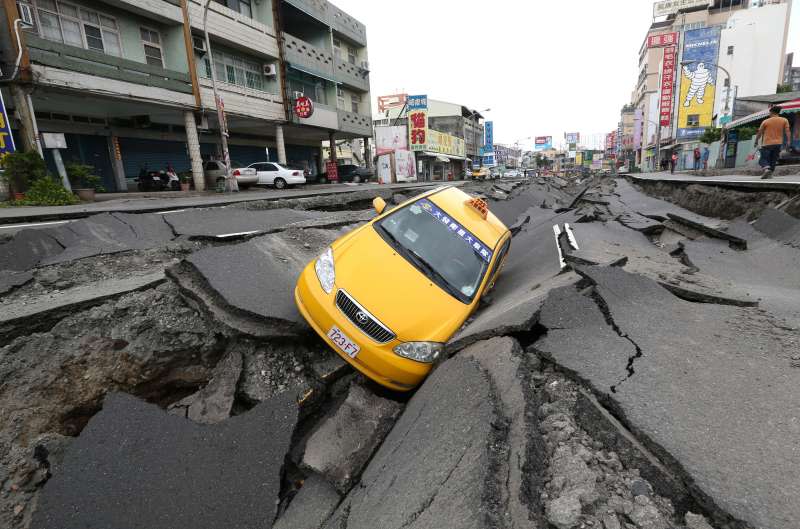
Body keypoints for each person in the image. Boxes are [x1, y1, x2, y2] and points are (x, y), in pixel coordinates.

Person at [754, 105, 791, 179]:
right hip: (778, 144)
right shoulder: (784, 120)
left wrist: (756, 141)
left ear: (771, 112)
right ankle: (770, 174)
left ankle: (766, 169)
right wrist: (789, 141)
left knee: (763, 159)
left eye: (769, 112)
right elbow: (787, 131)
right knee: (773, 159)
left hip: (767, 144)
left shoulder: (766, 121)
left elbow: (759, 133)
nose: (769, 114)